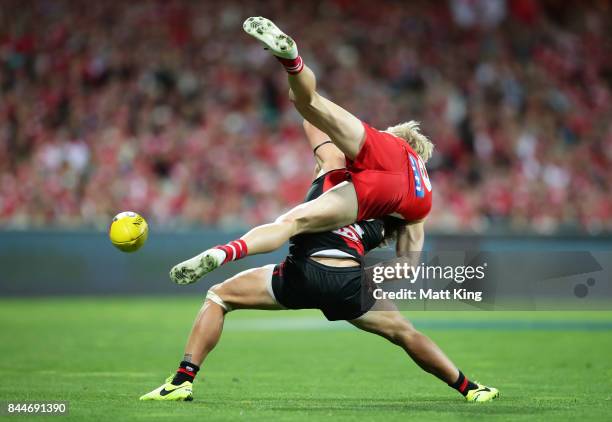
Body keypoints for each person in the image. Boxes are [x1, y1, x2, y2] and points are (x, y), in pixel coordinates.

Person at [140, 122, 499, 403]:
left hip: (303, 270)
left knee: (220, 295)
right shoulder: (401, 215)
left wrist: (295, 76)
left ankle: (181, 382)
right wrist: (370, 275)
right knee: (405, 333)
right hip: (348, 282)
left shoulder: (333, 165)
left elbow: (314, 119)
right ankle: (470, 388)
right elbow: (407, 266)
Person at [170, 17, 434, 285]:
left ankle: (293, 62)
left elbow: (313, 123)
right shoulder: (423, 188)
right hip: (406, 198)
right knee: (293, 222)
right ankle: (223, 253)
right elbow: (408, 266)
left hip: (381, 152)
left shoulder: (390, 142)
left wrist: (320, 118)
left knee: (308, 103)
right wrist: (362, 278)